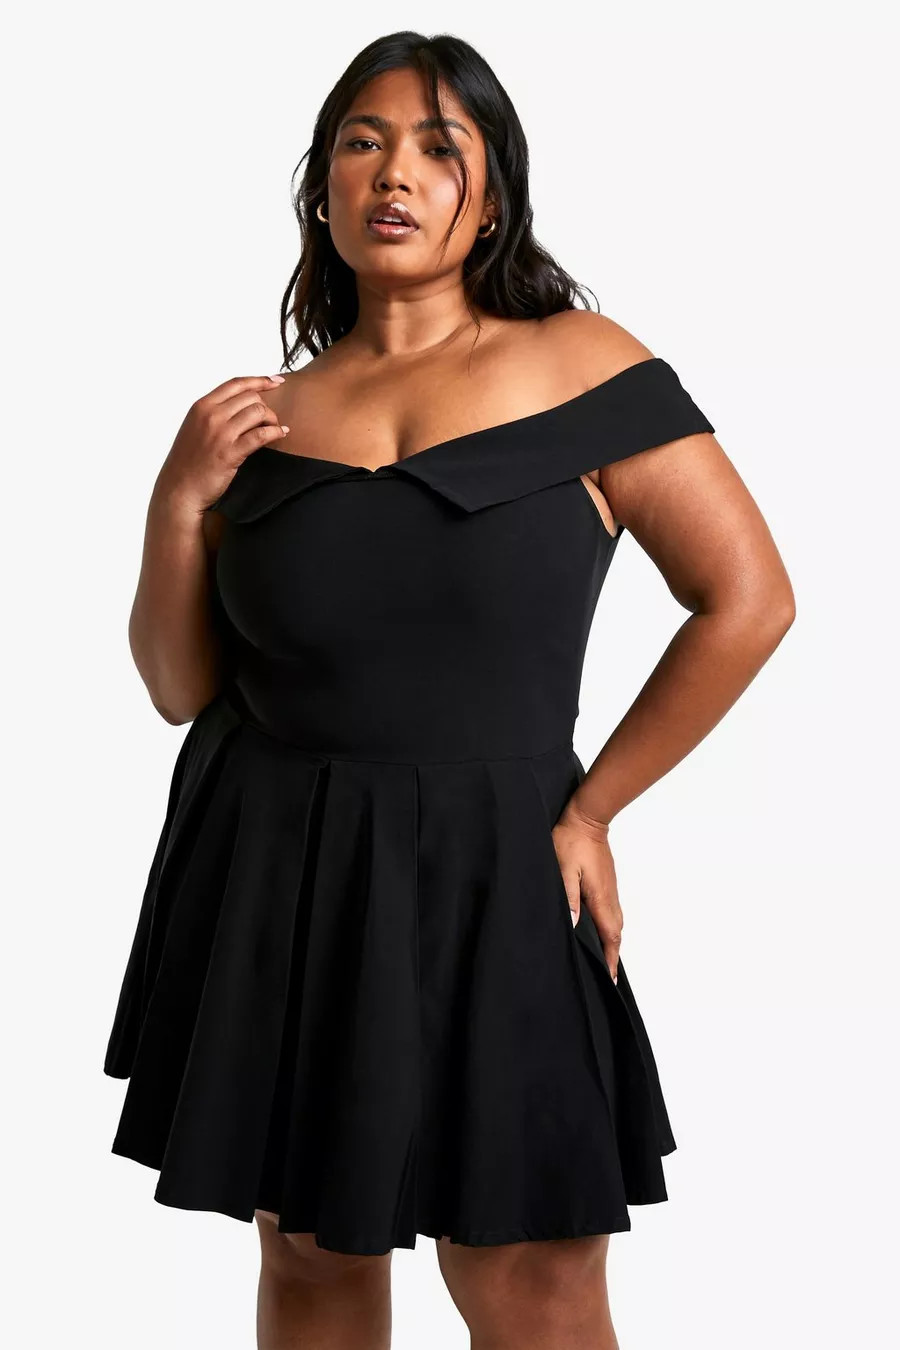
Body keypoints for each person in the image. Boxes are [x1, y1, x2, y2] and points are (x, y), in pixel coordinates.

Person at [103, 30, 795, 1350]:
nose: (394, 174)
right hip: (283, 862)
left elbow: (749, 598)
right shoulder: (262, 417)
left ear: (492, 194)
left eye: (438, 146)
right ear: (322, 185)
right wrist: (179, 499)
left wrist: (595, 810)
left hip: (502, 862)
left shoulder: (585, 363)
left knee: (531, 1271)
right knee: (309, 1254)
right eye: (362, 143)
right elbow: (180, 685)